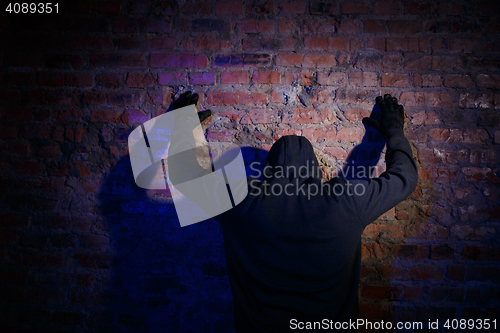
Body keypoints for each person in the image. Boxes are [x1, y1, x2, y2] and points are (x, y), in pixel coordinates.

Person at [169, 92, 418, 332]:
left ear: (270, 169)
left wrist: (182, 127)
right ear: (314, 166)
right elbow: (404, 177)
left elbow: (186, 176)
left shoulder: (242, 201)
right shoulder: (345, 200)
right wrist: (393, 129)